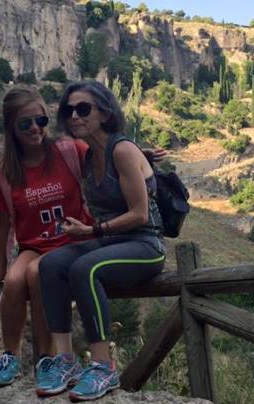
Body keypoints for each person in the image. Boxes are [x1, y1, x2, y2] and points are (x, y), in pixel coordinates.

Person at [36, 81, 166, 401]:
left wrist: (92, 231)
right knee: (51, 264)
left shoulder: (121, 150)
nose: (75, 116)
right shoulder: (88, 156)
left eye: (84, 109)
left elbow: (139, 214)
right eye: (69, 110)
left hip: (145, 244)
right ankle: (65, 361)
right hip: (111, 240)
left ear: (105, 112)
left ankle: (103, 367)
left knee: (84, 269)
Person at [0, 86, 93, 387]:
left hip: (74, 240)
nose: (35, 128)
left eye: (41, 121)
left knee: (37, 272)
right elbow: (3, 225)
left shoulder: (70, 151)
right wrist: (0, 271)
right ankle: (10, 354)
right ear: (11, 128)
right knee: (15, 280)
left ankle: (49, 358)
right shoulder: (5, 171)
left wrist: (136, 156)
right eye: (25, 123)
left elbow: (105, 164)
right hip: (33, 244)